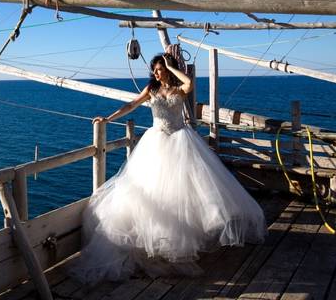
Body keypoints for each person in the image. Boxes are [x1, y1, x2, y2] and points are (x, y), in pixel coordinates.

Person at [73, 53, 267, 284]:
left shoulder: (179, 89)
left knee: (184, 194)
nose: (156, 73)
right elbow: (131, 104)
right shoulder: (151, 89)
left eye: (160, 68)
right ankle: (157, 243)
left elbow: (189, 83)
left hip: (181, 141)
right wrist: (107, 118)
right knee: (153, 193)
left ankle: (183, 243)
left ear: (168, 68)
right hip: (156, 142)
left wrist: (170, 67)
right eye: (154, 69)